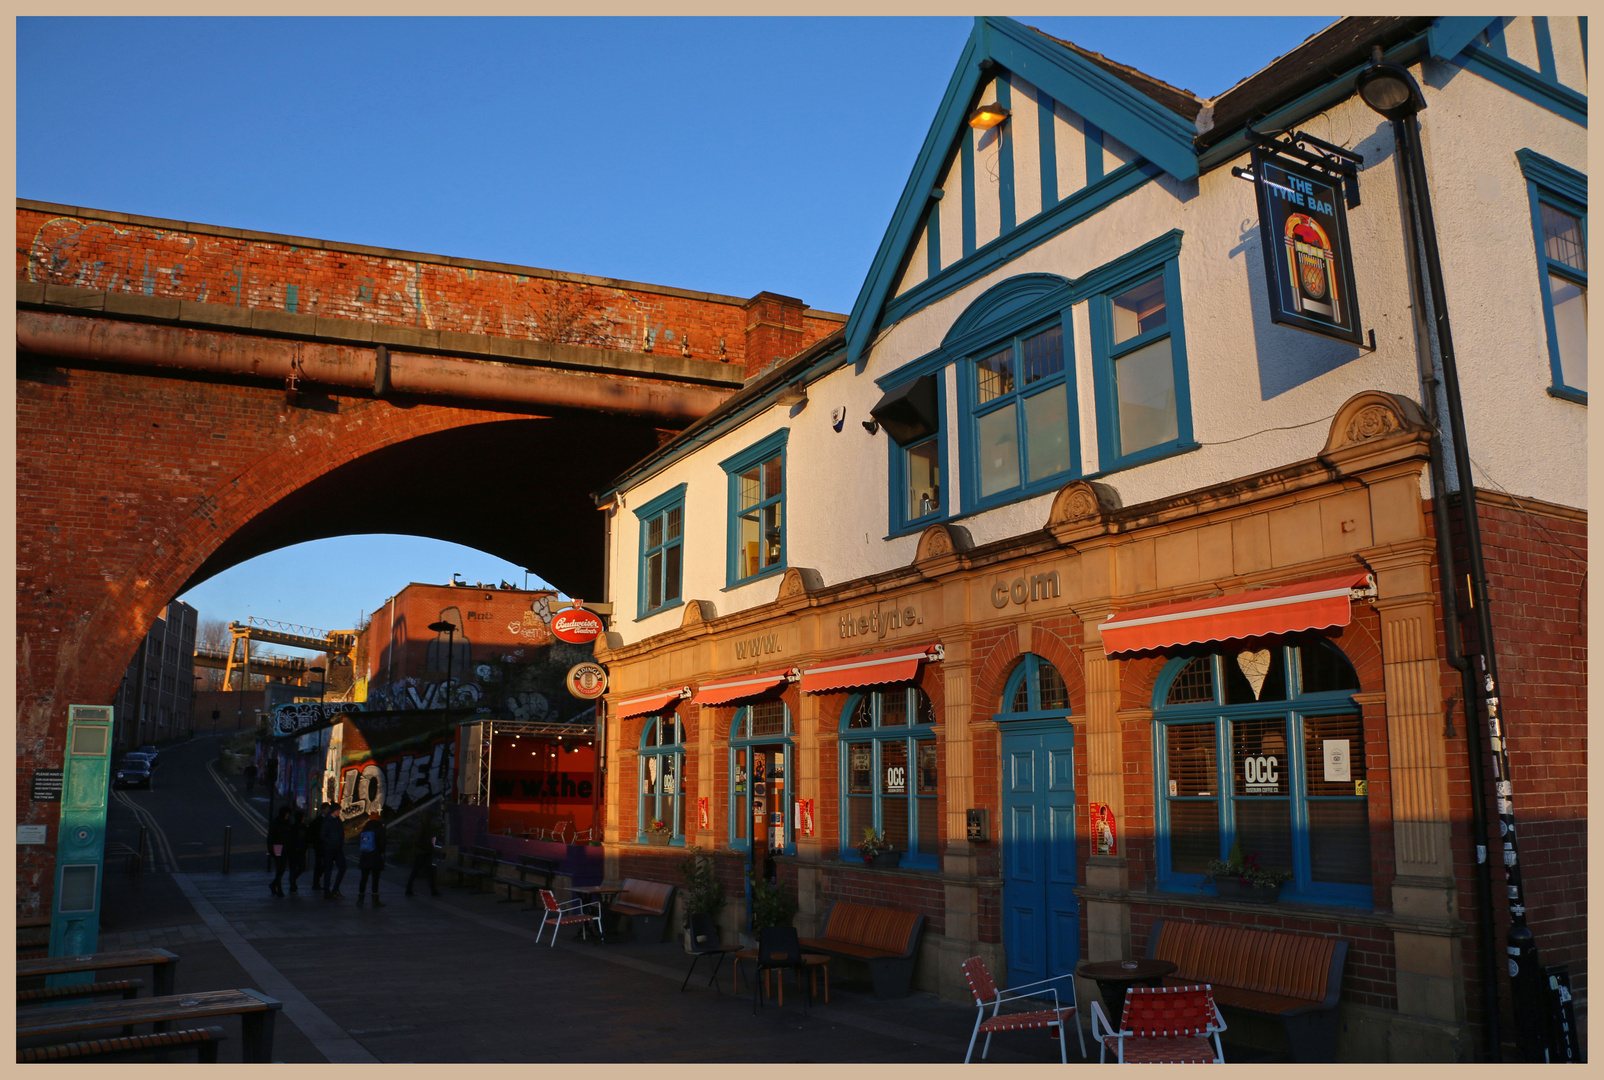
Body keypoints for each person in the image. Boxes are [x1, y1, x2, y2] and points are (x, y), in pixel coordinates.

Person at [356, 810, 387, 906]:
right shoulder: (379, 828)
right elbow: (383, 843)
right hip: (375, 856)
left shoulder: (365, 828)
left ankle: (360, 899)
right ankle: (375, 900)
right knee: (375, 879)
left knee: (364, 879)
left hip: (365, 856)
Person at [404, 819, 442, 897]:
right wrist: (427, 848)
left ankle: (410, 888)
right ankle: (433, 889)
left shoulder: (421, 828)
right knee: (426, 871)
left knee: (418, 871)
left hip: (422, 852)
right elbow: (420, 841)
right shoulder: (424, 829)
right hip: (424, 852)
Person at [320, 803, 347, 900]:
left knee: (342, 867)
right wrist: (331, 842)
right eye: (337, 810)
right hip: (330, 848)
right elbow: (323, 835)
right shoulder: (328, 821)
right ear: (333, 811)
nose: (339, 812)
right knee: (329, 870)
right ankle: (328, 890)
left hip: (337, 848)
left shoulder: (337, 820)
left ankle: (334, 888)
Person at [267, 806, 293, 897]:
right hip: (277, 847)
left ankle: (273, 885)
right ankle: (279, 889)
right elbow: (271, 837)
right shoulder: (277, 822)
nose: (288, 815)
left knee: (282, 869)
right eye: (287, 814)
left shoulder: (287, 822)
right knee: (279, 869)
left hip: (285, 848)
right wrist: (271, 848)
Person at [307, 805, 329, 891]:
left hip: (324, 845)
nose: (328, 811)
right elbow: (312, 833)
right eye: (327, 809)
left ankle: (317, 879)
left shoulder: (326, 820)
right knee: (319, 863)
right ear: (322, 810)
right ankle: (316, 882)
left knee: (325, 863)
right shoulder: (318, 821)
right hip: (319, 845)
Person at [286, 807, 308, 893]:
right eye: (302, 817)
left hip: (300, 850)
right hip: (295, 850)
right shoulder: (295, 827)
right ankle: (293, 884)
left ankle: (292, 880)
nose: (304, 818)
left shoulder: (302, 826)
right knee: (294, 868)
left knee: (300, 867)